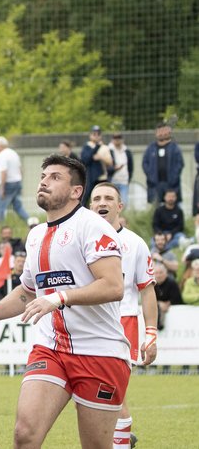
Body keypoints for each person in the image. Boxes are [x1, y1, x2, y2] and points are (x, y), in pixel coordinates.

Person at [0, 155, 130, 449]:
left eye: (55, 177)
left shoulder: (93, 226)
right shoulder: (35, 235)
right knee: (25, 434)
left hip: (100, 351)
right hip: (50, 349)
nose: (44, 181)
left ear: (76, 191)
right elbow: (28, 292)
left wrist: (60, 298)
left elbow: (113, 286)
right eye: (43, 176)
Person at [88, 182, 158, 448]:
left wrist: (150, 333)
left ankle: (120, 441)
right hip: (86, 324)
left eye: (108, 198)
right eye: (96, 198)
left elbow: (147, 290)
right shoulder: (79, 239)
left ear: (120, 206)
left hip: (122, 324)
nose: (102, 202)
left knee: (114, 393)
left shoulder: (135, 244)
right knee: (100, 395)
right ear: (90, 206)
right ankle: (121, 439)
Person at [142, 122, 183, 206]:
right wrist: (150, 176)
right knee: (155, 208)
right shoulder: (151, 148)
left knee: (173, 207)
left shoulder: (174, 148)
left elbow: (180, 163)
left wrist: (173, 178)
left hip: (171, 184)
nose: (161, 134)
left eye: (163, 131)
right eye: (159, 132)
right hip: (155, 185)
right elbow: (145, 163)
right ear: (156, 133)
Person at [0, 136, 30, 223]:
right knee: (18, 207)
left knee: (0, 208)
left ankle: (0, 228)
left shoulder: (2, 155)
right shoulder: (13, 153)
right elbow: (21, 169)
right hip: (17, 182)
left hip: (7, 184)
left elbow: (4, 172)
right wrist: (20, 183)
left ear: (0, 145)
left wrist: (2, 188)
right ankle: (30, 222)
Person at [80, 125, 113, 207]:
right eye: (94, 134)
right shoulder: (87, 147)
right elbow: (85, 160)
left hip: (102, 177)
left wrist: (100, 157)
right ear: (90, 135)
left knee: (102, 199)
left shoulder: (105, 147)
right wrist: (96, 148)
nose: (96, 136)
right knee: (86, 198)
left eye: (98, 134)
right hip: (90, 177)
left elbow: (110, 162)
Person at [153, 264, 182, 331]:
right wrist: (159, 303)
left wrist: (167, 304)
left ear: (166, 273)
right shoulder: (151, 284)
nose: (159, 275)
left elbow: (177, 299)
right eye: (156, 273)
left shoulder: (172, 283)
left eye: (161, 272)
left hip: (174, 313)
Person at [107, 133, 133, 207]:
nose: (117, 140)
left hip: (124, 181)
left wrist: (128, 179)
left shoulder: (127, 151)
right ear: (112, 140)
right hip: (112, 181)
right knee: (112, 203)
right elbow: (106, 168)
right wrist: (114, 168)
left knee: (124, 203)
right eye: (115, 138)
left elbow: (130, 167)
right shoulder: (109, 151)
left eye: (119, 138)